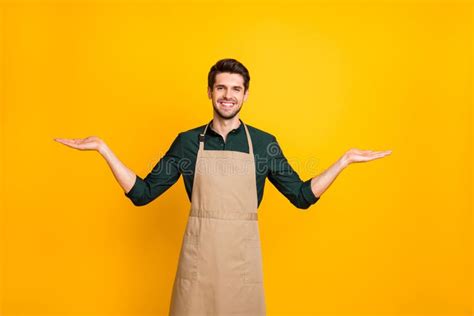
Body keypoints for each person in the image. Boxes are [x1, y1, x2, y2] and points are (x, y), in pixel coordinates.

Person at [54, 58, 392, 315]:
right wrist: (104, 150)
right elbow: (142, 194)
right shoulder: (188, 143)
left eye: (235, 89)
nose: (227, 96)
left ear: (245, 94)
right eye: (221, 88)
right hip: (198, 269)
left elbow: (302, 197)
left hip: (241, 269)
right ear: (210, 92)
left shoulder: (263, 144)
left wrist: (344, 161)